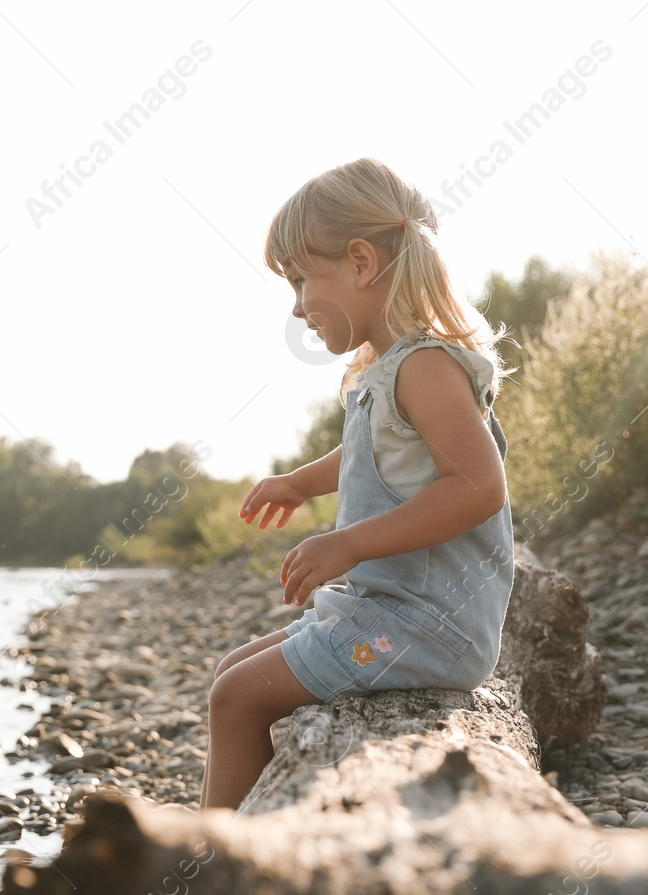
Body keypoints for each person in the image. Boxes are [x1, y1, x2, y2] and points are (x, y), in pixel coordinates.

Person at [199, 157, 518, 811]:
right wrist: (299, 482)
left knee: (236, 697)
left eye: (300, 280)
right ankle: (230, 834)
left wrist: (348, 544)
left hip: (424, 628)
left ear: (362, 264)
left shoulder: (425, 366)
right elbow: (369, 451)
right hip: (391, 615)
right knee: (233, 672)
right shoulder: (390, 369)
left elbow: (478, 486)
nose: (297, 306)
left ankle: (207, 867)